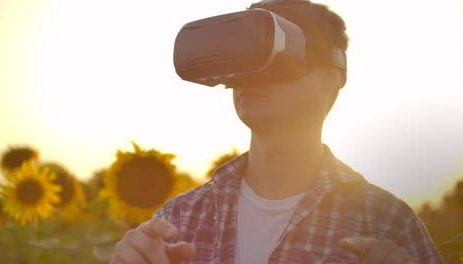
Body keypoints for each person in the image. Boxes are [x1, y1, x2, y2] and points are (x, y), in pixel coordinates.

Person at [110, 0, 443, 263]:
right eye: (243, 56)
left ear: (331, 76)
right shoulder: (176, 220)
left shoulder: (387, 224)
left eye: (276, 56)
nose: (251, 75)